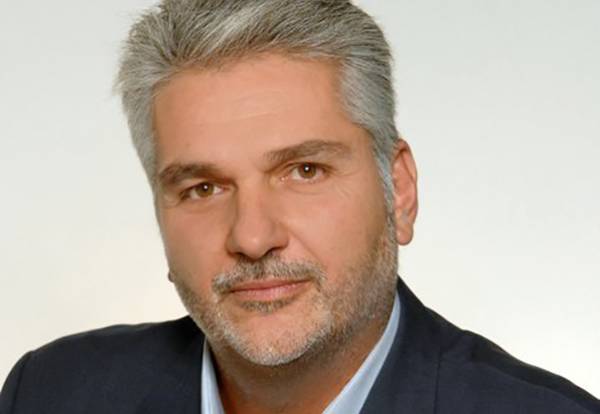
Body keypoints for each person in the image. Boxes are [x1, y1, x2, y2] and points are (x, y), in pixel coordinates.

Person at [1, 1, 598, 413]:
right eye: (203, 188)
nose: (252, 237)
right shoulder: (49, 395)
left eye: (304, 171)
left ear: (399, 191)